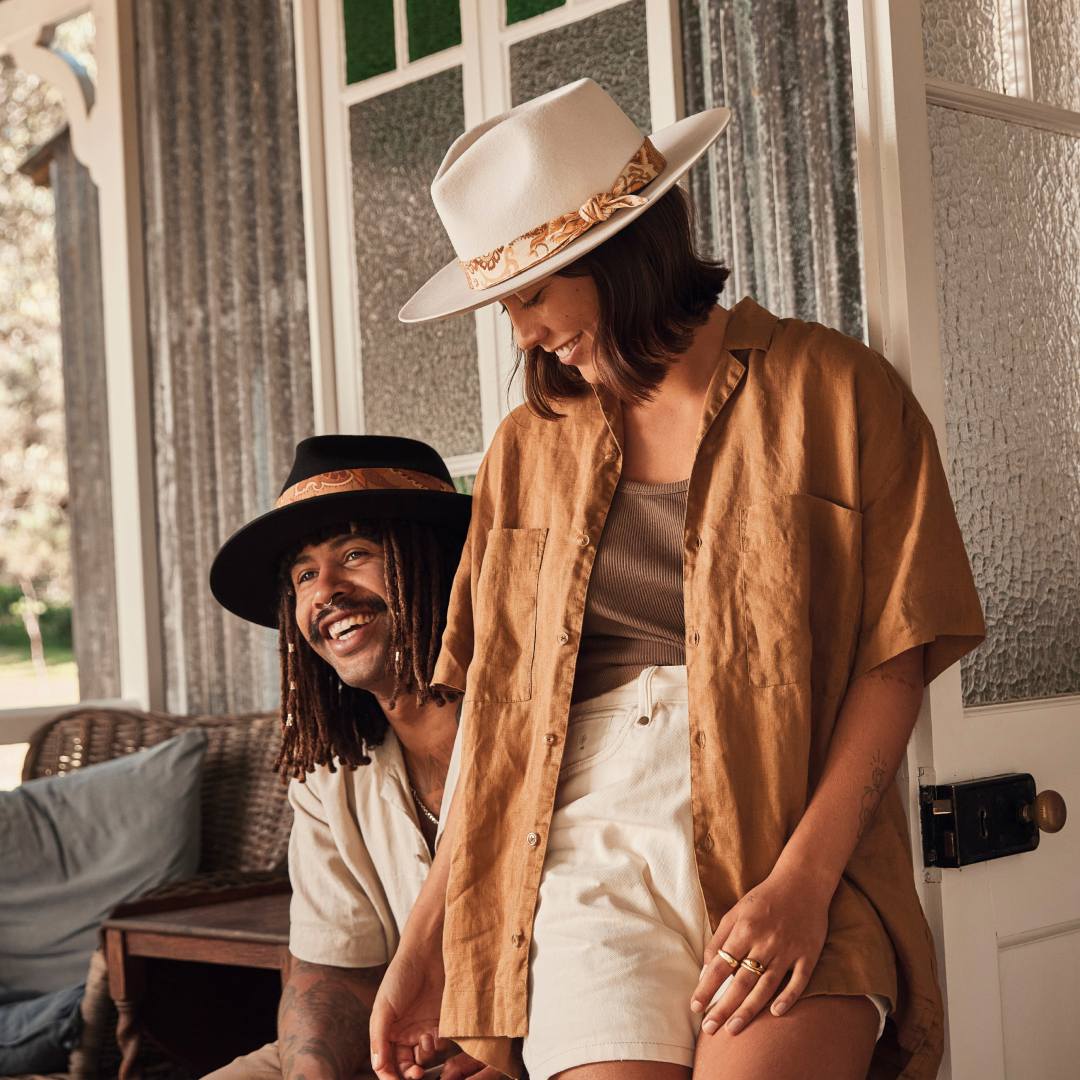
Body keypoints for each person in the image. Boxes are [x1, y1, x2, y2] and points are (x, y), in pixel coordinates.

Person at [367, 79, 987, 1080]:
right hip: (586, 849)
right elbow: (499, 714)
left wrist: (804, 882)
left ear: (616, 255)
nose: (520, 333)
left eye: (530, 293)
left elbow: (895, 659)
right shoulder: (527, 448)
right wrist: (425, 940)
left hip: (791, 831)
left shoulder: (835, 392)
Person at [205, 435, 496, 1080]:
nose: (325, 591)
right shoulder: (330, 770)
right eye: (304, 574)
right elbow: (334, 967)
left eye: (355, 554)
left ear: (439, 562)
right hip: (391, 1048)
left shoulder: (537, 717)